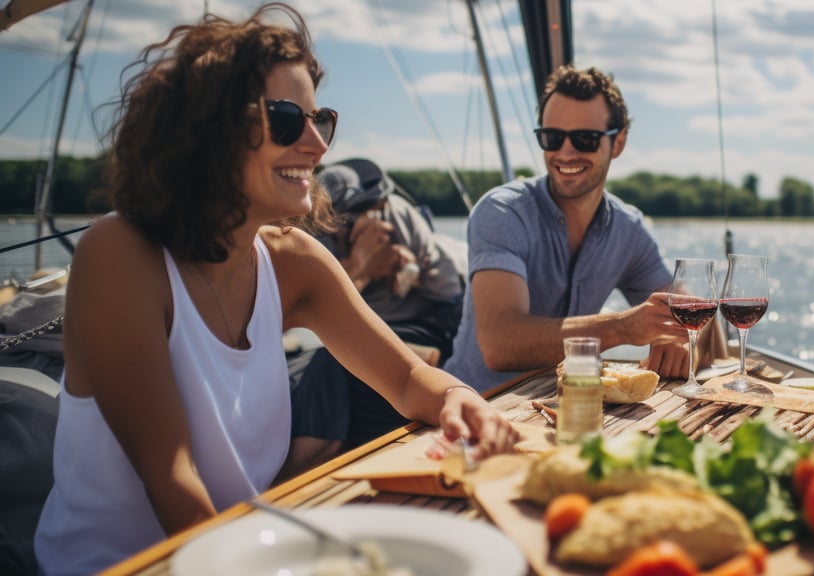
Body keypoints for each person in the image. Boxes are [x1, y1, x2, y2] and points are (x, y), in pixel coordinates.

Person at [32, 5, 517, 574]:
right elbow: (173, 477)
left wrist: (459, 400)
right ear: (209, 130)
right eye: (288, 119)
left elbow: (408, 378)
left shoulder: (295, 263)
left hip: (252, 553)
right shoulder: (119, 255)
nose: (317, 144)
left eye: (322, 119)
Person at [443, 65, 698, 392]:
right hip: (474, 407)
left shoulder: (628, 228)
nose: (565, 152)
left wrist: (687, 341)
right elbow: (499, 343)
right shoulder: (503, 212)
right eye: (551, 137)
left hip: (564, 405)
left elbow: (688, 308)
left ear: (617, 143)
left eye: (584, 139)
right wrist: (623, 328)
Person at [289, 157, 466, 464]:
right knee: (295, 373)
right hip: (352, 331)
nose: (364, 221)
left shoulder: (400, 218)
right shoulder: (319, 233)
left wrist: (411, 270)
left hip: (418, 324)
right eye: (345, 217)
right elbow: (312, 311)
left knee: (328, 363)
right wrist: (359, 270)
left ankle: (306, 463)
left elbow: (450, 294)